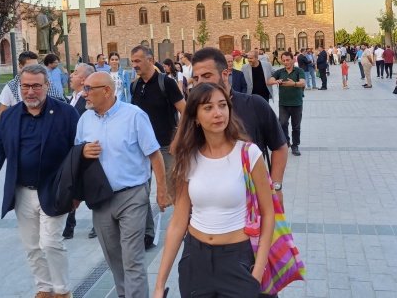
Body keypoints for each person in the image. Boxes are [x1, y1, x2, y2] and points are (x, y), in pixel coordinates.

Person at [152, 83, 274, 298]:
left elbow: (268, 213)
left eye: (222, 106)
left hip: (238, 260)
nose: (218, 113)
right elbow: (179, 221)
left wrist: (257, 272)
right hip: (195, 260)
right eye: (208, 108)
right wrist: (160, 284)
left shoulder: (248, 153)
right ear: (195, 117)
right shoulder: (188, 157)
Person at [0, 64, 80, 298]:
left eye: (36, 86)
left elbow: (78, 154)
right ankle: (44, 288)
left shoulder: (66, 113)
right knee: (32, 245)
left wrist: (77, 193)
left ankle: (62, 291)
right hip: (21, 191)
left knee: (50, 242)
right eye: (25, 86)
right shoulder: (9, 116)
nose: (30, 91)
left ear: (47, 86)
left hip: (54, 190)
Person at [79, 72, 170, 298]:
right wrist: (82, 152)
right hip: (100, 199)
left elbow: (155, 155)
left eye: (89, 88)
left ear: (107, 90)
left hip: (132, 196)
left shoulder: (134, 116)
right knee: (114, 259)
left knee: (133, 259)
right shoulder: (84, 119)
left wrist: (162, 191)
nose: (84, 94)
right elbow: (76, 157)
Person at [191, 48, 289, 200]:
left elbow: (280, 146)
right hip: (210, 202)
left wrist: (276, 187)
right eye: (196, 79)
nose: (200, 83)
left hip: (253, 199)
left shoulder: (254, 105)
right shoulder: (194, 114)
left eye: (206, 76)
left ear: (225, 74)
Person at [130, 45, 185, 249]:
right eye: (133, 61)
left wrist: (177, 138)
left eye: (138, 61)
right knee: (141, 192)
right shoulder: (135, 86)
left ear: (150, 60)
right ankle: (147, 234)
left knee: (174, 190)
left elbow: (185, 111)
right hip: (141, 150)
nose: (134, 65)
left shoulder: (167, 83)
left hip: (164, 147)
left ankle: (185, 228)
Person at [62, 63, 96, 240]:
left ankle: (97, 224)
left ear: (83, 80)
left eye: (74, 73)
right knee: (69, 187)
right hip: (72, 151)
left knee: (90, 187)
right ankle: (69, 225)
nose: (71, 76)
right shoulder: (73, 98)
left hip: (86, 150)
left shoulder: (89, 101)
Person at [267, 51, 306, 157]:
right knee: (282, 124)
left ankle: (295, 146)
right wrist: (275, 81)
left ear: (293, 60)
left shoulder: (299, 71)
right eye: (283, 60)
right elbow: (269, 81)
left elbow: (303, 83)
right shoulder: (280, 72)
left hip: (296, 104)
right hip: (283, 104)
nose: (285, 62)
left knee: (296, 126)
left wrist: (293, 83)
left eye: (287, 60)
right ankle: (286, 142)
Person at [0, 50, 41, 118]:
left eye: (37, 67)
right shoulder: (11, 87)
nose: (35, 70)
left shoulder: (44, 84)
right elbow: (2, 115)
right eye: (30, 67)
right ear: (21, 67)